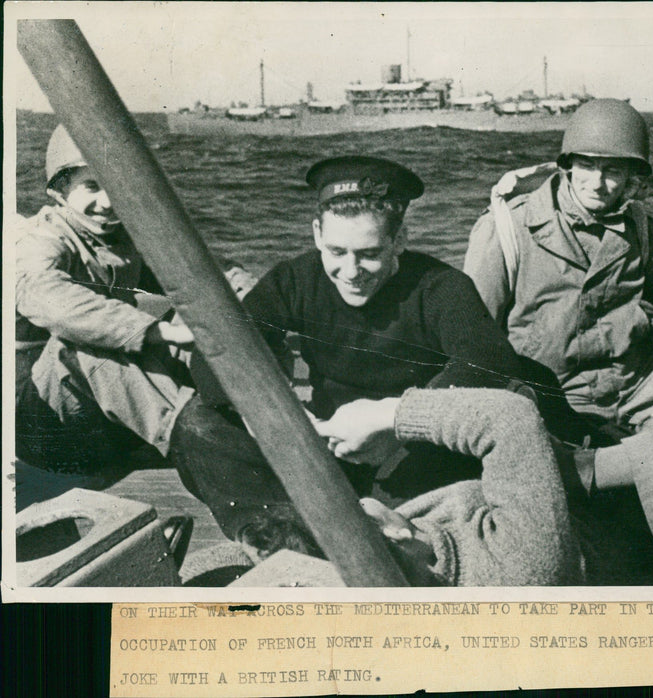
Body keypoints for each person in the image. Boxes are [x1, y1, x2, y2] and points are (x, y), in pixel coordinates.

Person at [167, 155, 533, 555]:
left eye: (369, 253)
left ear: (400, 240)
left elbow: (490, 364)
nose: (351, 270)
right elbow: (218, 349)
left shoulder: (441, 287)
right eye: (336, 251)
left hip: (408, 454)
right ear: (316, 235)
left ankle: (375, 539)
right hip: (324, 450)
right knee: (197, 424)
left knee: (415, 504)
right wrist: (268, 412)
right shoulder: (294, 279)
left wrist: (396, 424)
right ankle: (280, 542)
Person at [464, 99, 653, 433]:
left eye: (612, 170)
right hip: (549, 399)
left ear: (632, 177)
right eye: (587, 166)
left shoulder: (641, 228)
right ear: (568, 165)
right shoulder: (507, 229)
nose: (597, 183)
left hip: (636, 388)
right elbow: (472, 335)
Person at [356, 386, 653, 585]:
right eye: (356, 509)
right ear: (388, 529)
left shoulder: (419, 554)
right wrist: (392, 413)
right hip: (630, 519)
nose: (362, 501)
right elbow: (509, 417)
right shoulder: (512, 568)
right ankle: (590, 468)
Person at [15, 125, 195, 472]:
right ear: (61, 189)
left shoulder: (118, 241)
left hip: (99, 422)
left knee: (196, 319)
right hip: (38, 425)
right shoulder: (40, 240)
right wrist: (159, 332)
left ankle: (237, 423)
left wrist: (242, 292)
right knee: (83, 344)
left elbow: (188, 275)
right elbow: (47, 296)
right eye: (92, 186)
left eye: (116, 186)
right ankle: (198, 441)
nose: (108, 202)